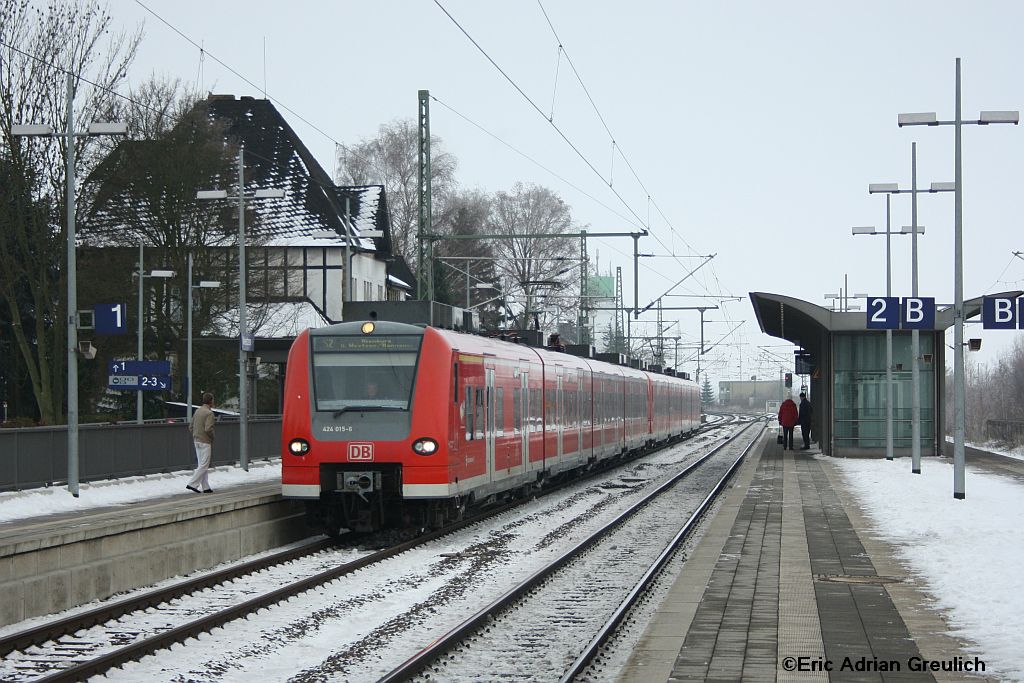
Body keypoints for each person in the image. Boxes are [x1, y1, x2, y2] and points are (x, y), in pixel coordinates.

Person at [187, 392, 215, 493]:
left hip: (196, 440)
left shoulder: (197, 411)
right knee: (204, 465)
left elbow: (191, 426)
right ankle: (192, 484)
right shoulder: (209, 413)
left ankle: (206, 487)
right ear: (211, 401)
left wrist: (196, 435)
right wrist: (212, 437)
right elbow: (208, 429)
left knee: (201, 464)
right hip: (205, 441)